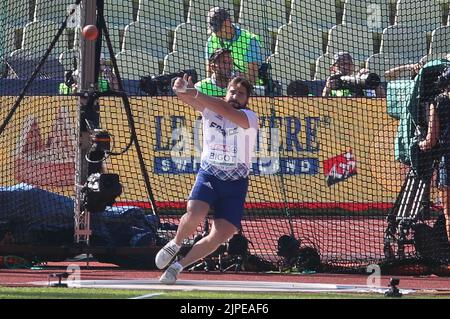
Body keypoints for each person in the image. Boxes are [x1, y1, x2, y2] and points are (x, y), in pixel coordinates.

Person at [155, 75, 259, 284]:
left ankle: (178, 266)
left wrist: (195, 92)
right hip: (210, 175)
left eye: (241, 93)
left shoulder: (249, 116)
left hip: (236, 182)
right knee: (195, 214)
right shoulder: (209, 109)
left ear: (247, 99)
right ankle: (175, 243)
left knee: (223, 233)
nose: (235, 96)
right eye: (232, 91)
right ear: (226, 92)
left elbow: (227, 111)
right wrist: (181, 87)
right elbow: (183, 95)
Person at [418, 67, 450, 244]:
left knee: (449, 214)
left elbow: (431, 140)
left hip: (448, 158)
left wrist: (420, 144)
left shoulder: (438, 101)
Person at [205, 7, 263, 86]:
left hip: (246, 89)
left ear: (228, 22)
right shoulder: (211, 41)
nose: (216, 33)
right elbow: (209, 73)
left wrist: (232, 78)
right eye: (214, 30)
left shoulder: (250, 40)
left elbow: (252, 77)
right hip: (219, 87)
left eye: (219, 28)